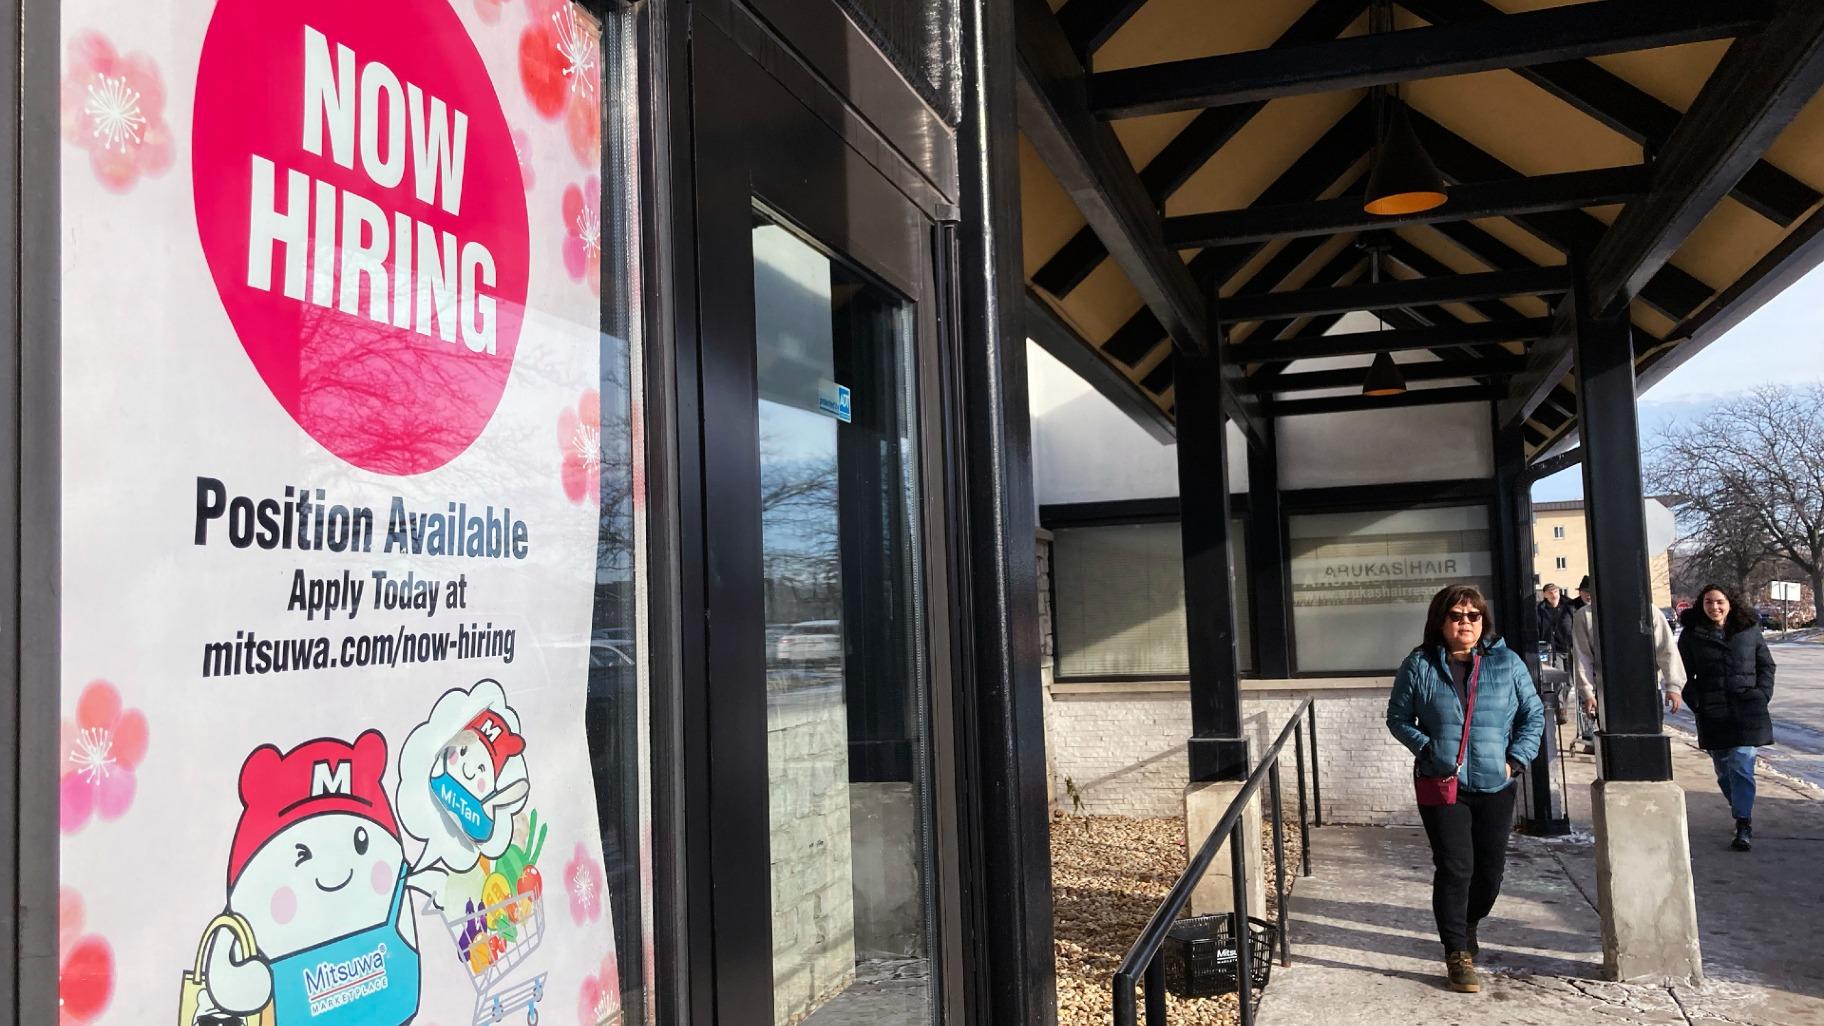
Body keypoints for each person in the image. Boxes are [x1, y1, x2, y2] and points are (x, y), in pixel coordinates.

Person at [1386, 584, 1544, 994]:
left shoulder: (1506, 663)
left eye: (1473, 616)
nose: (1465, 623)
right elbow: (1398, 717)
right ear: (1441, 621)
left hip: (1495, 783)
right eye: (1456, 615)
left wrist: (1515, 761)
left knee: (1489, 874)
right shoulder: (1419, 664)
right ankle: (1456, 950)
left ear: (1483, 620)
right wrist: (1430, 749)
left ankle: (1469, 922)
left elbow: (1534, 714)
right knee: (1456, 867)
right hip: (1442, 782)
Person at [1676, 584, 1775, 852]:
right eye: (1708, 602)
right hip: (1713, 711)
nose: (1714, 607)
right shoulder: (1691, 636)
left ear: (1730, 603)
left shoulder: (1748, 629)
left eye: (1719, 601)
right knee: (1723, 771)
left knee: (1742, 761)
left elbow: (1766, 665)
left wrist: (1761, 694)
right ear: (1701, 605)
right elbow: (1682, 675)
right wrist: (1697, 703)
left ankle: (1743, 822)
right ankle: (1740, 808)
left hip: (1747, 709)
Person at [1568, 576, 1684, 753]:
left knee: (1650, 744)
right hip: (1607, 690)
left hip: (1645, 688)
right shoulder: (1585, 616)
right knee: (1617, 746)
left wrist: (1673, 685)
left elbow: (1666, 649)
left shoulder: (1648, 611)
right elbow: (1582, 656)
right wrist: (1587, 692)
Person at [1536, 583, 1573, 666]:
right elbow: (1538, 631)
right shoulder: (1540, 610)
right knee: (1556, 675)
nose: (1554, 595)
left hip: (1569, 648)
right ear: (1545, 595)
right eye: (1550, 593)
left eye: (1555, 591)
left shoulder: (1569, 606)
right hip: (1551, 649)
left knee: (1573, 676)